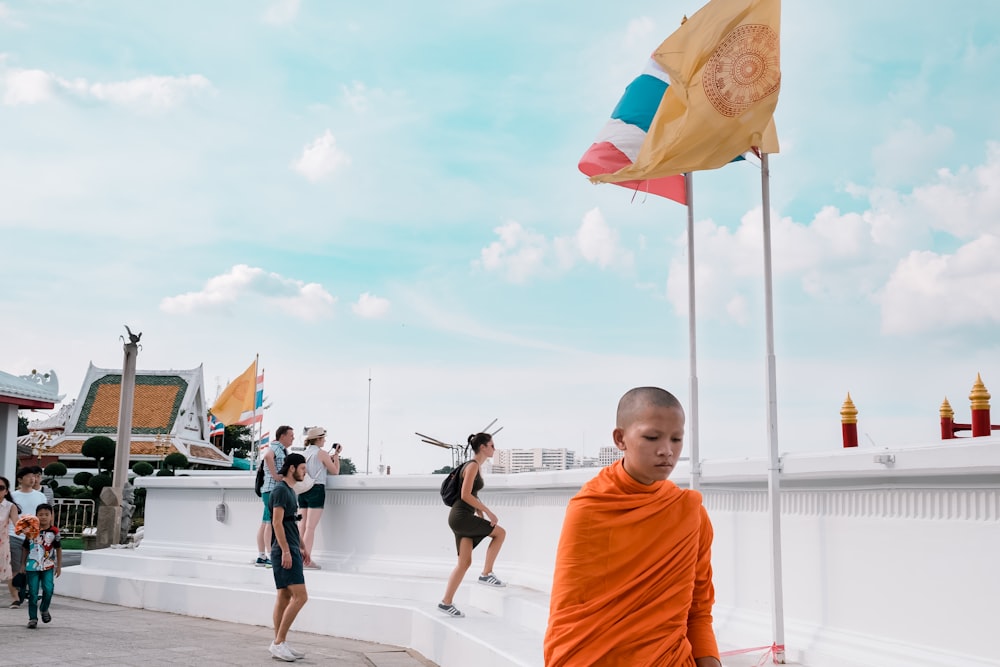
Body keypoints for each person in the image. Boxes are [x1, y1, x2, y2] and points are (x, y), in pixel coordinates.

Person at [543, 387, 721, 667]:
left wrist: (711, 661)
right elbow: (569, 615)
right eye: (652, 437)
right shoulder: (590, 509)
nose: (667, 451)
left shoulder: (690, 511)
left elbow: (699, 607)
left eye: (677, 439)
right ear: (620, 439)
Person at [438, 432, 507, 618]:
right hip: (461, 516)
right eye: (492, 445)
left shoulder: (474, 466)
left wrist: (480, 512)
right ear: (483, 447)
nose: (494, 448)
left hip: (462, 516)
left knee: (464, 563)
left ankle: (446, 602)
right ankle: (486, 573)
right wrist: (489, 512)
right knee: (500, 533)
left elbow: (471, 495)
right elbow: (465, 494)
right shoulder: (473, 466)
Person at [268, 452, 310, 662]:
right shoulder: (281, 491)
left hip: (291, 547)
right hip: (283, 550)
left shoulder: (289, 491)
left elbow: (290, 522)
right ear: (292, 468)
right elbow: (276, 523)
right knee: (301, 597)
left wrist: (302, 546)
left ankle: (280, 643)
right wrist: (286, 551)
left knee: (284, 597)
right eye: (303, 468)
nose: (305, 472)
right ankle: (278, 643)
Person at [297, 426, 341, 569]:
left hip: (303, 489)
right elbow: (335, 471)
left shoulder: (303, 454)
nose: (325, 440)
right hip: (316, 489)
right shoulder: (321, 454)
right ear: (318, 439)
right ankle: (307, 560)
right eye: (323, 438)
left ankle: (298, 558)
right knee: (310, 528)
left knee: (301, 526)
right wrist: (336, 456)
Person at [256, 424, 292, 567]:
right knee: (270, 523)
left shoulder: (279, 448)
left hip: (268, 489)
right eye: (291, 436)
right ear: (282, 436)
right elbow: (268, 457)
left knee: (265, 523)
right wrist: (276, 475)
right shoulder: (277, 447)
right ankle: (271, 555)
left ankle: (262, 556)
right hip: (272, 489)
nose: (293, 439)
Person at [8, 468, 45, 608]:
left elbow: (44, 514)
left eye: (34, 477)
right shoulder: (12, 496)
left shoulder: (40, 496)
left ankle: (30, 592)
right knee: (16, 568)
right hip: (15, 535)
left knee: (33, 566)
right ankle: (16, 597)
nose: (32, 479)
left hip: (35, 537)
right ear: (20, 479)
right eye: (29, 476)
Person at [21, 503, 61, 629]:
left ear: (51, 516)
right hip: (32, 567)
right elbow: (25, 548)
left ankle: (44, 609)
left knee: (48, 589)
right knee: (32, 593)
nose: (43, 517)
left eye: (46, 515)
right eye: (40, 515)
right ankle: (32, 618)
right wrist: (22, 564)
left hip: (48, 566)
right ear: (36, 516)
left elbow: (59, 549)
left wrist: (59, 566)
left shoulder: (54, 532)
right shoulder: (31, 531)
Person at [1, 476, 21, 605]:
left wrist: (26, 528)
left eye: (1, 488)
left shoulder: (10, 506)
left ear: (6, 491)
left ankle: (15, 598)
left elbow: (16, 523)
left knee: (8, 569)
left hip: (2, 542)